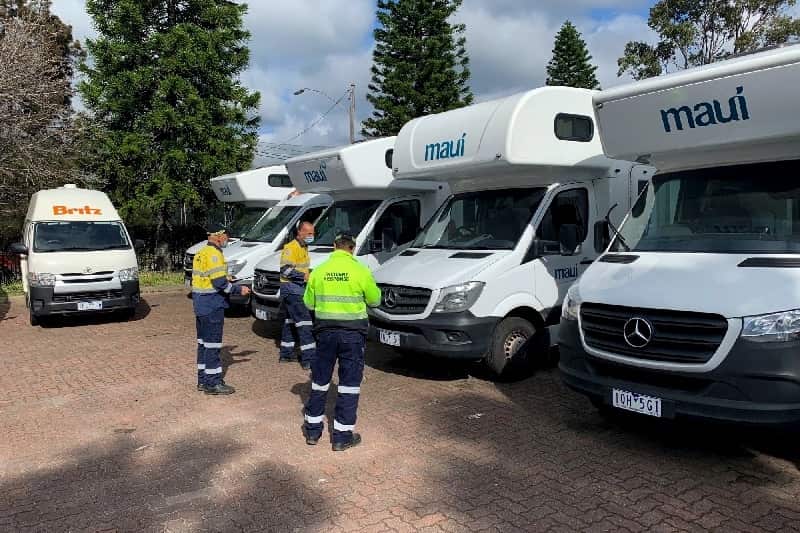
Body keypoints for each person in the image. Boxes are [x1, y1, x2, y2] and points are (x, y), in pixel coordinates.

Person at [302, 231, 381, 451]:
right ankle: (341, 437)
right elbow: (375, 300)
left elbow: (308, 303)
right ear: (352, 248)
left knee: (319, 381)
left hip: (325, 334)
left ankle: (312, 432)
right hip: (352, 336)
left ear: (334, 246)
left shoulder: (319, 271)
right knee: (348, 385)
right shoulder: (360, 270)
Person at [192, 225, 250, 395]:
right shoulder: (214, 255)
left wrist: (226, 278)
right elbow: (220, 284)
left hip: (201, 305)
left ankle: (203, 380)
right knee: (213, 345)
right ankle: (213, 383)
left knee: (203, 345)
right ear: (218, 236)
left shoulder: (202, 252)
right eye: (226, 235)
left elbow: (209, 278)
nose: (228, 238)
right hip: (212, 305)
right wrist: (239, 290)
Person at [278, 221, 316, 369]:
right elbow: (285, 270)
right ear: (299, 232)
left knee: (289, 322)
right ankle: (309, 359)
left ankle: (286, 354)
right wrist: (303, 276)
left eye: (313, 233)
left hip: (296, 288)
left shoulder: (304, 246)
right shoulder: (291, 248)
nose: (311, 236)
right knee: (305, 323)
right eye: (309, 233)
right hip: (293, 290)